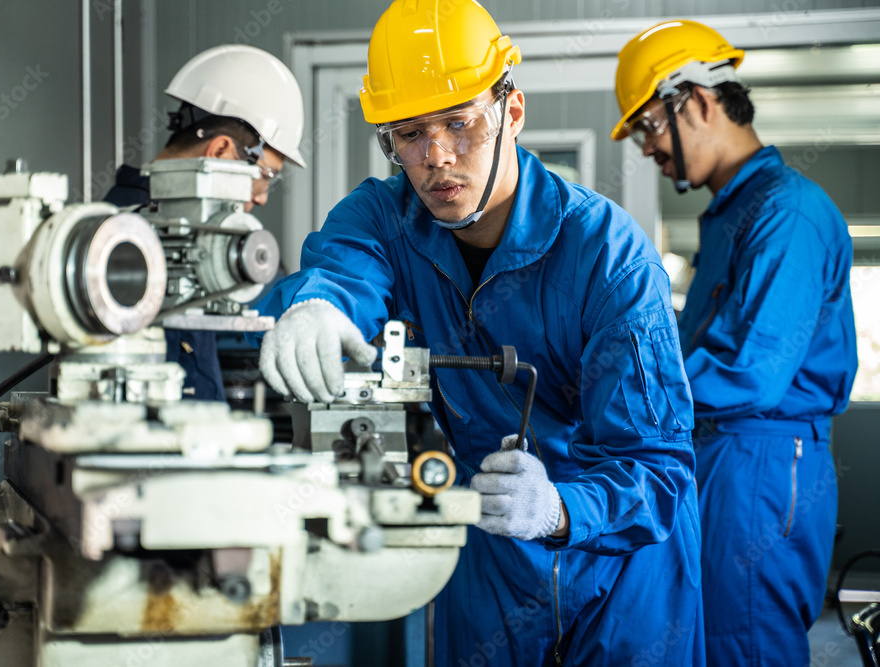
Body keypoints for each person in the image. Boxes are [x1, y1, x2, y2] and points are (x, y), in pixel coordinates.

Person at [250, 1, 704, 664]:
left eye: (459, 123)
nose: (435, 157)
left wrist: (558, 508)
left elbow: (658, 468)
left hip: (618, 564)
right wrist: (320, 305)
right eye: (407, 133)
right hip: (486, 556)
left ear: (511, 113)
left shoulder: (607, 255)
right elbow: (345, 268)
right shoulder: (382, 217)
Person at [611, 20, 858, 666]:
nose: (646, 149)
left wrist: (623, 389)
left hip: (761, 462)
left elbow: (753, 371)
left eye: (648, 127)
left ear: (695, 100)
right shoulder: (731, 216)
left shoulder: (788, 213)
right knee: (710, 637)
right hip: (723, 455)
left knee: (743, 642)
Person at [104, 44, 305, 401]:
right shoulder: (120, 234)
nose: (261, 198)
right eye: (267, 176)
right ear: (220, 152)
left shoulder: (183, 232)